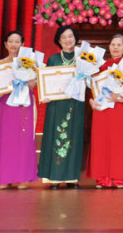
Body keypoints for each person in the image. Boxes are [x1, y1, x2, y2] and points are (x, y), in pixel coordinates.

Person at [37, 25, 86, 189]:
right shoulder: (53, 59)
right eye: (63, 37)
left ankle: (72, 178)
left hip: (76, 104)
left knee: (74, 138)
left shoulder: (83, 59)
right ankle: (55, 178)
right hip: (57, 104)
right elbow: (46, 82)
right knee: (56, 137)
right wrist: (45, 94)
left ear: (75, 38)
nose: (67, 40)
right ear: (58, 40)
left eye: (70, 36)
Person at [87, 34, 123, 189]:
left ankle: (119, 178)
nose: (116, 48)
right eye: (113, 44)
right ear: (109, 47)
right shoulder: (101, 66)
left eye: (119, 45)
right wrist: (91, 101)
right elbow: (93, 87)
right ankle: (102, 178)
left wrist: (122, 99)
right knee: (101, 142)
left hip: (120, 108)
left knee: (119, 143)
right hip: (101, 109)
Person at [0, 30, 37, 189]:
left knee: (24, 139)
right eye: (10, 41)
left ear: (23, 44)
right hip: (6, 104)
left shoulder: (30, 62)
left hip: (24, 103)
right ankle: (5, 177)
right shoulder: (0, 64)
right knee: (7, 139)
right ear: (5, 44)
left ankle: (23, 177)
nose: (13, 45)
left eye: (17, 42)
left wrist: (26, 81)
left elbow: (34, 84)